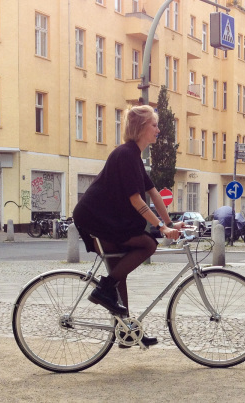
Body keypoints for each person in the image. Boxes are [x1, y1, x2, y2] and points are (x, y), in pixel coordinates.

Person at [73, 104, 183, 347]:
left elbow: (153, 193)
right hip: (95, 217)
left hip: (106, 217)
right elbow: (136, 199)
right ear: (141, 128)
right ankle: (104, 288)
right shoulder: (126, 155)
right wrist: (160, 229)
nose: (158, 129)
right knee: (147, 244)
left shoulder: (134, 156)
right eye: (154, 124)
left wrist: (170, 223)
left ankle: (126, 332)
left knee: (119, 269)